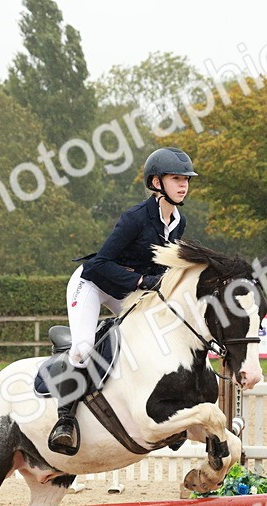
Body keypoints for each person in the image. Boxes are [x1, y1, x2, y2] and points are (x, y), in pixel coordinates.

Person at [46, 146, 196, 456]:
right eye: (176, 178)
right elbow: (98, 264)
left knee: (157, 337)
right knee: (84, 346)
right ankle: (65, 419)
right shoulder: (135, 218)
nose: (183, 185)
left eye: (186, 179)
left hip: (126, 291)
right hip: (93, 284)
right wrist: (142, 281)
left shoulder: (178, 223)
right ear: (156, 183)